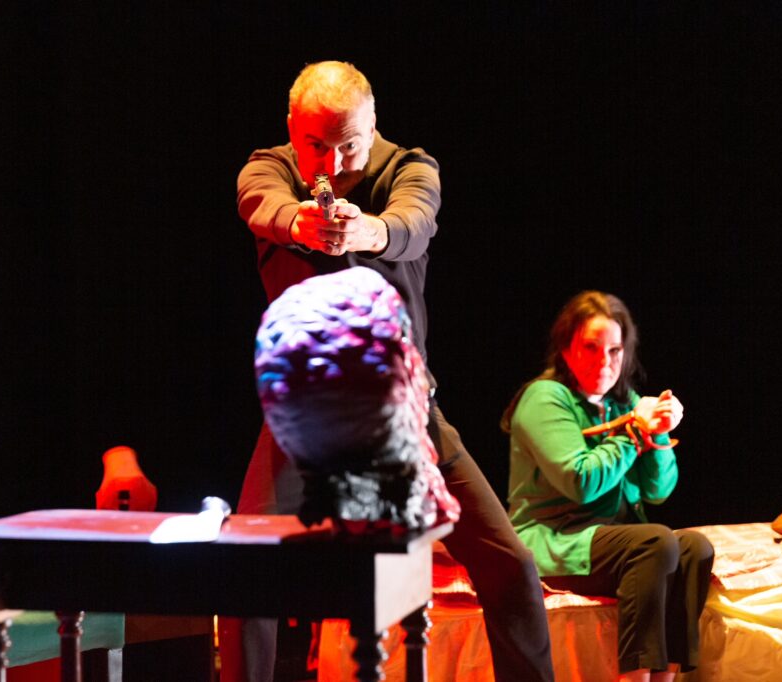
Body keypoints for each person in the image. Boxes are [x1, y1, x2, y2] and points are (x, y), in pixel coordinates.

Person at [221, 60, 554, 682]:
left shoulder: (409, 167)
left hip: (402, 409)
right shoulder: (271, 167)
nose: (330, 163)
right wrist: (298, 221)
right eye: (315, 145)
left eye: (348, 144)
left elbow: (412, 222)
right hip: (306, 418)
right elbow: (258, 202)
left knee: (509, 564)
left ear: (373, 123)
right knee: (245, 568)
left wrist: (367, 230)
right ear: (291, 128)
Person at [501, 291, 714, 682]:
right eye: (591, 347)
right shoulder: (545, 397)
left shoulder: (623, 402)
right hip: (556, 540)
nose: (604, 361)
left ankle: (665, 679)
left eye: (615, 350)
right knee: (655, 541)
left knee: (693, 548)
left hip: (610, 542)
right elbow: (580, 482)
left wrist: (659, 434)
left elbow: (657, 491)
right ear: (566, 349)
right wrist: (634, 433)